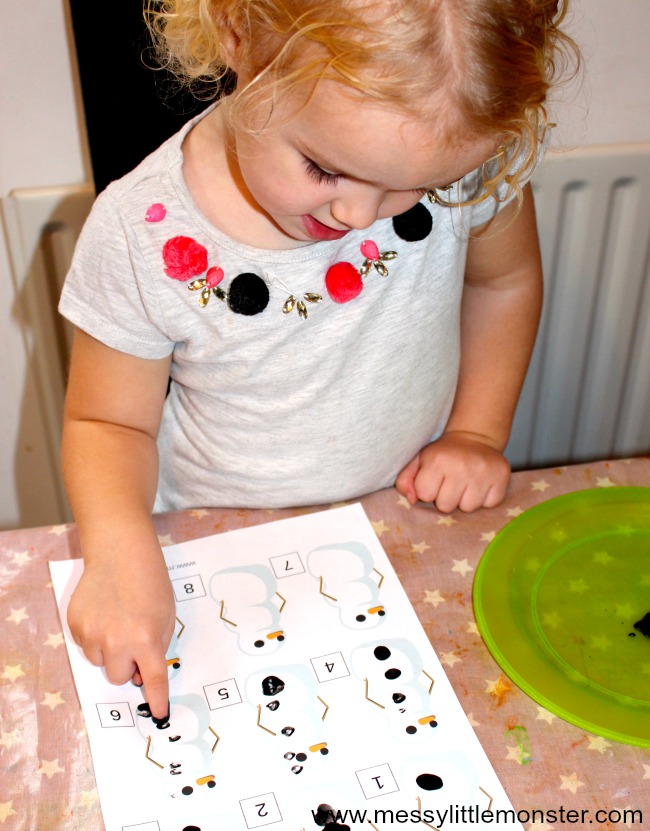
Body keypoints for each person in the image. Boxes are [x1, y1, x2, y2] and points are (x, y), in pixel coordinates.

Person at [58, 0, 578, 720]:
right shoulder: (139, 231)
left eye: (411, 190)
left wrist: (478, 432)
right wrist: (116, 548)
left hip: (398, 518)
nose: (360, 217)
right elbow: (105, 421)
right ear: (238, 34)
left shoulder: (458, 156)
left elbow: (504, 282)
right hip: (211, 546)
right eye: (323, 169)